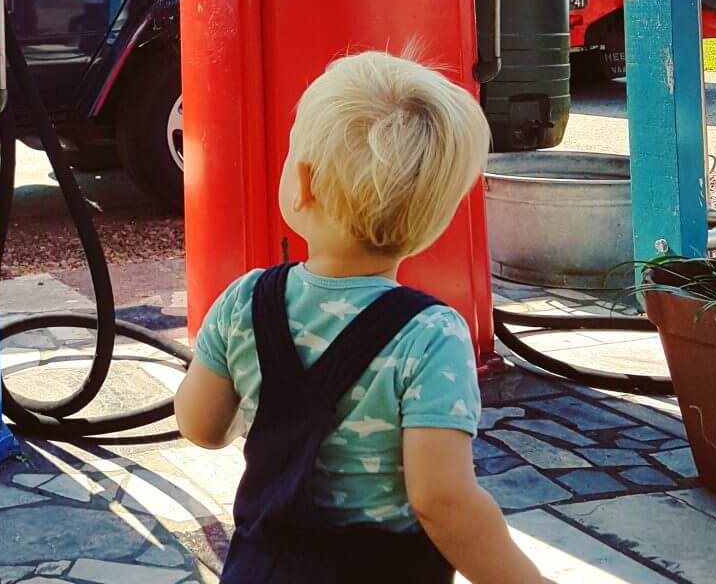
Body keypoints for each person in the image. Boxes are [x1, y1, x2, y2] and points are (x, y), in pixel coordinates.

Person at [174, 51, 552, 584]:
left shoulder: (244, 302)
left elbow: (201, 426)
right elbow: (442, 499)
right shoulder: (430, 336)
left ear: (301, 185)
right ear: (437, 215)